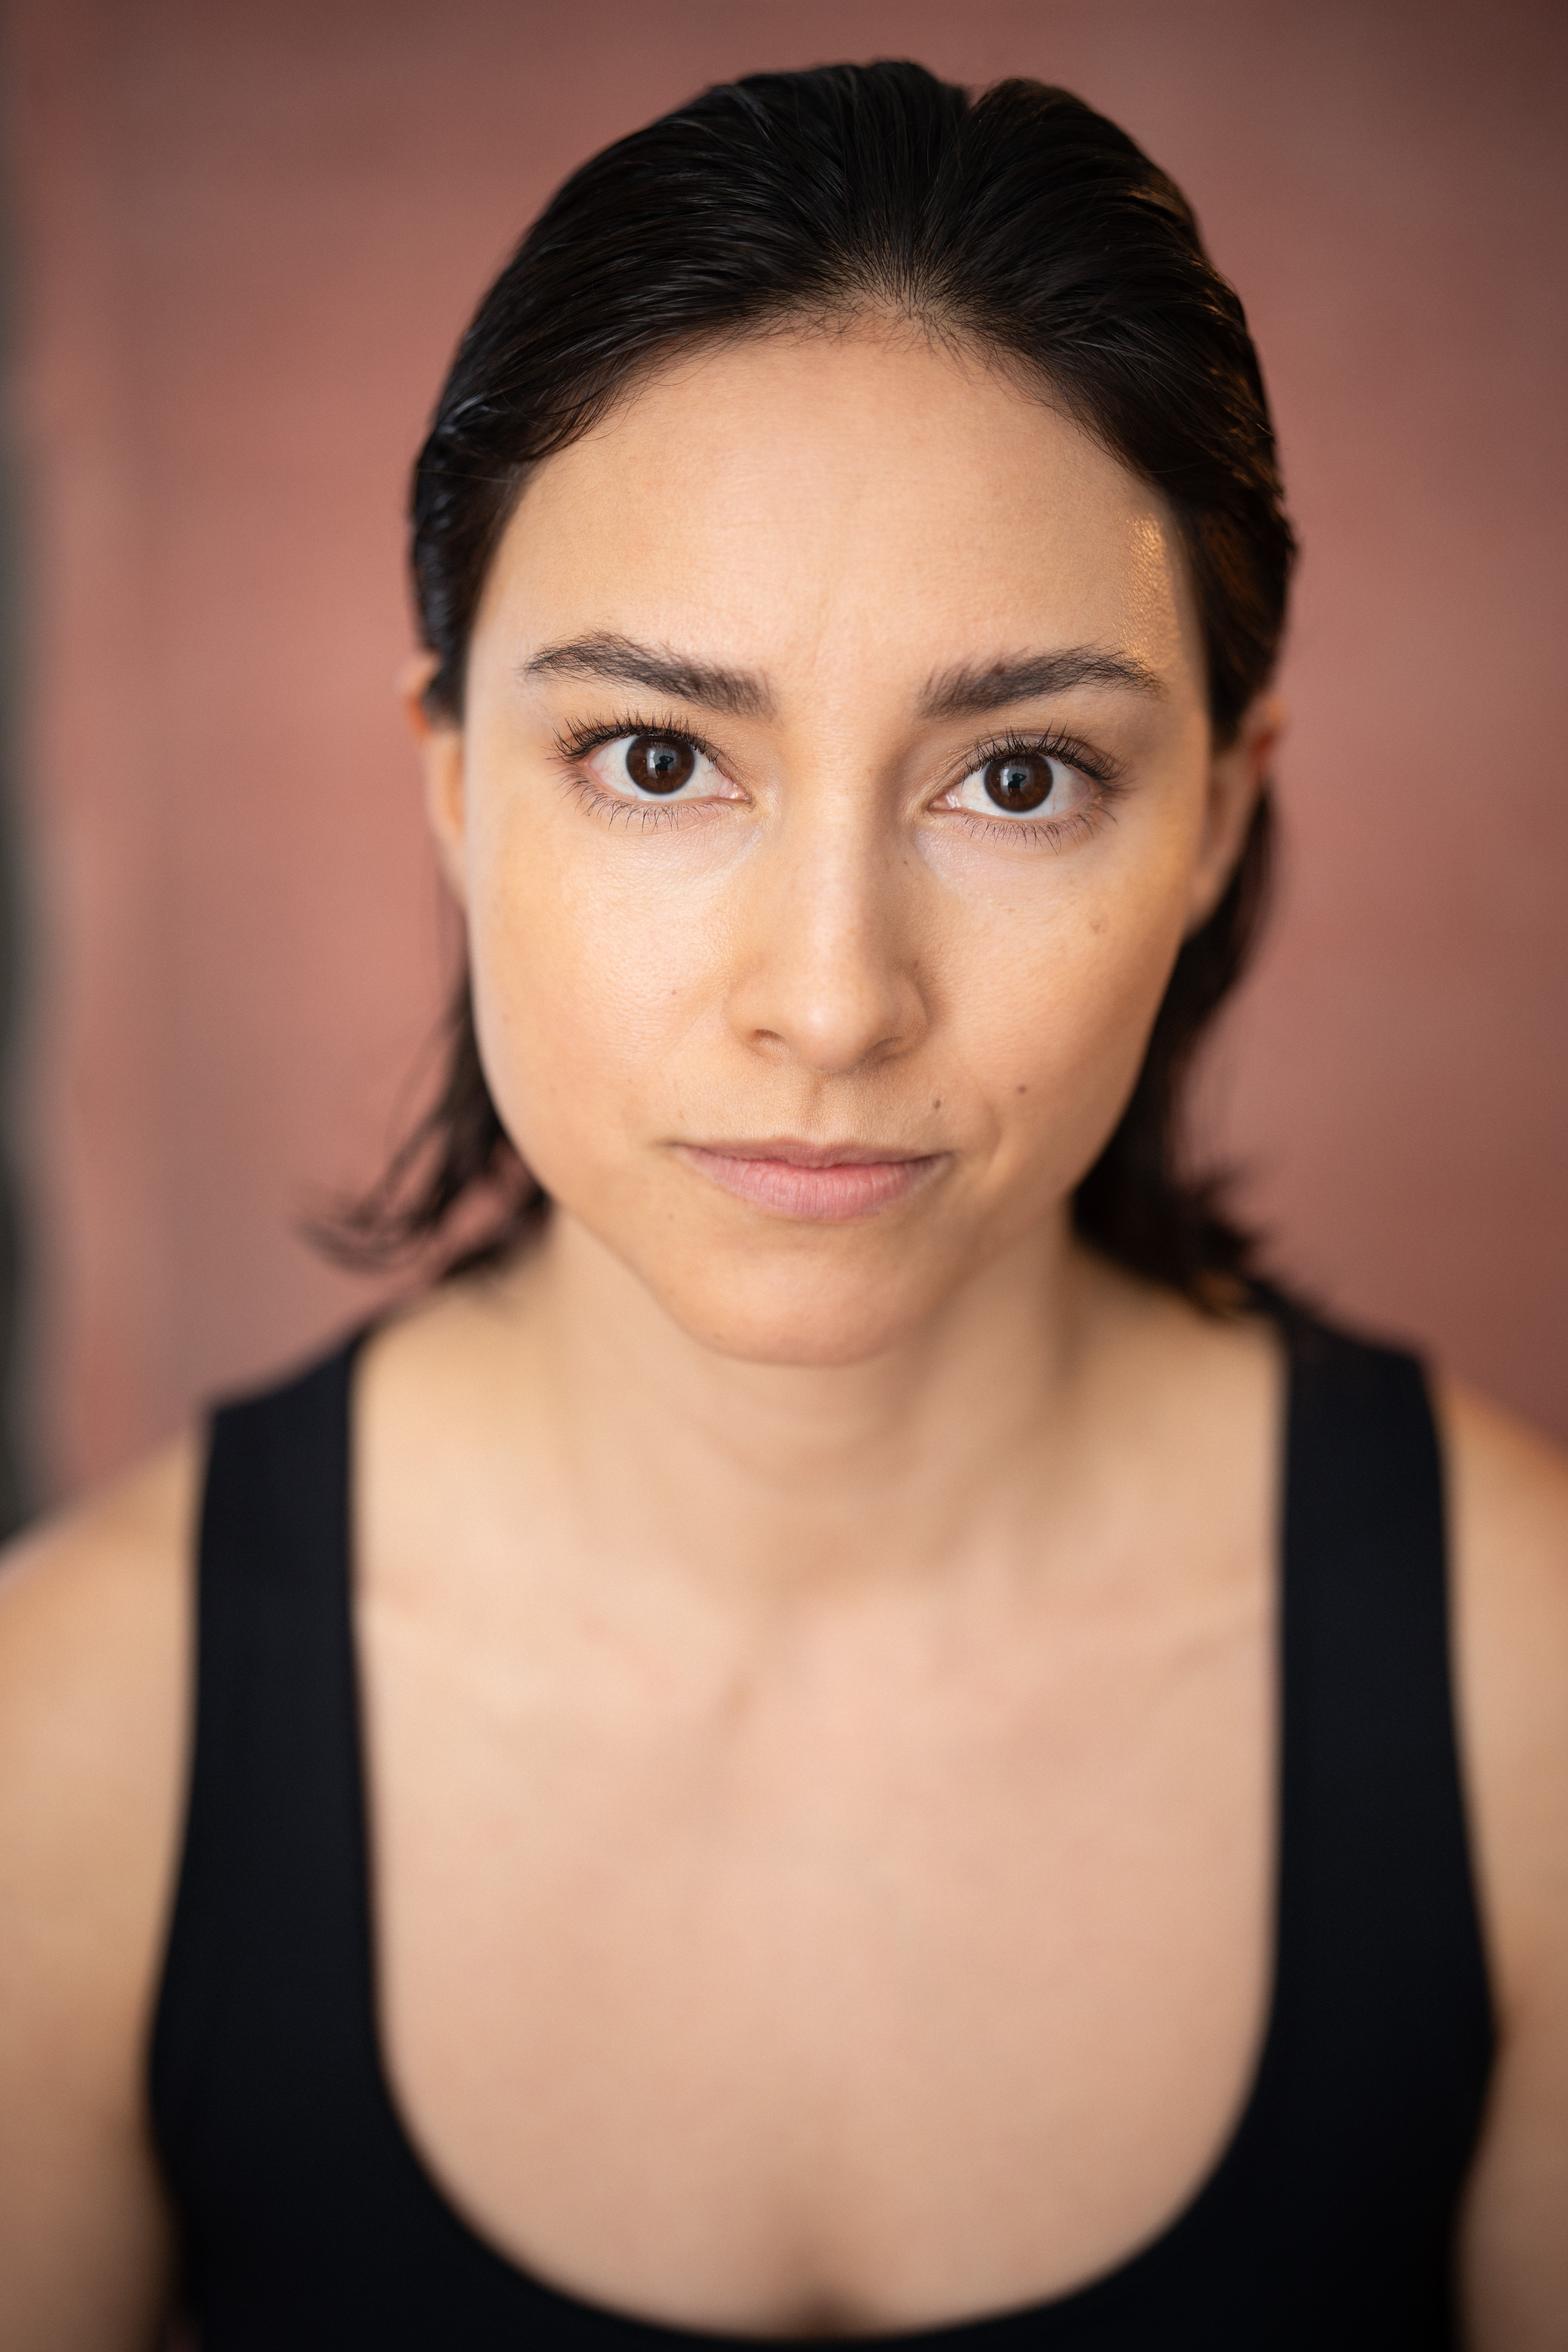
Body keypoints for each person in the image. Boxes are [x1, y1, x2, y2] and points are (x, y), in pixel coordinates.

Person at [0, 59, 1564, 2352]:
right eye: (657, 761)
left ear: (1221, 814)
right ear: (455, 788)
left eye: (1019, 778)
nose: (831, 1000)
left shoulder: (1536, 1711)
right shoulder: (66, 1751)